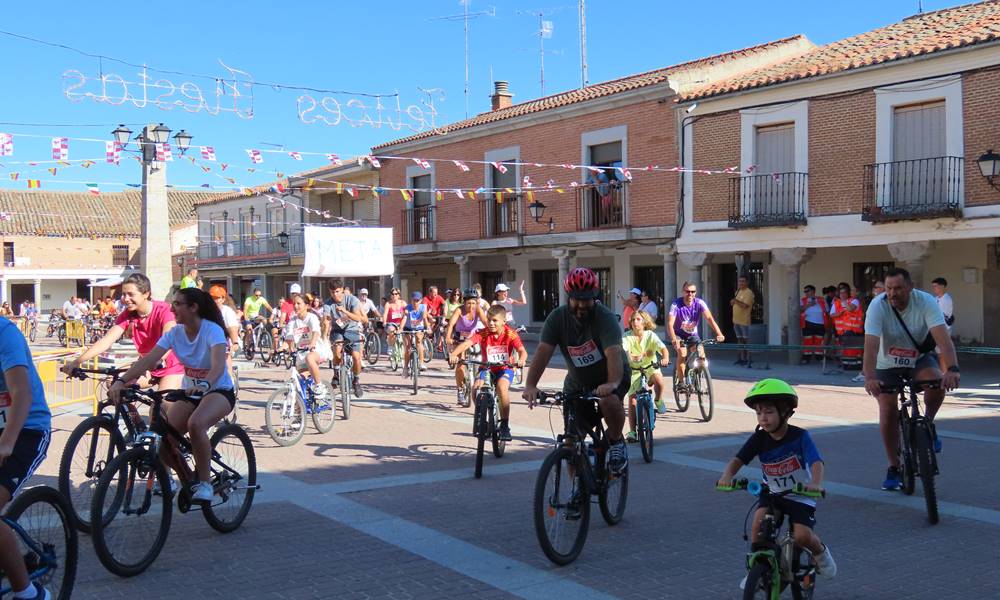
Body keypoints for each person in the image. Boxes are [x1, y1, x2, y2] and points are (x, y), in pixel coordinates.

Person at [108, 288, 234, 503]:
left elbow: (218, 365)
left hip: (218, 390)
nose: (172, 308)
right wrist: (121, 381)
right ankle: (187, 479)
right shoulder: (175, 333)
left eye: (177, 304)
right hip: (190, 392)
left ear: (193, 307)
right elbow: (148, 360)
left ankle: (205, 484)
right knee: (164, 440)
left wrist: (205, 385)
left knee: (196, 424)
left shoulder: (211, 330)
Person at [717, 379, 837, 588]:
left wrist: (816, 484)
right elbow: (738, 460)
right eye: (759, 413)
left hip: (800, 495)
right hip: (773, 493)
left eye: (769, 412)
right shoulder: (759, 439)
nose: (763, 418)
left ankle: (821, 553)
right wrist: (727, 476)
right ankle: (756, 568)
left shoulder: (800, 436)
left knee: (802, 536)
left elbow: (816, 462)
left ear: (785, 412)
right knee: (757, 523)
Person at [523, 267, 631, 473]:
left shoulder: (604, 317)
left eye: (587, 299)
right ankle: (576, 494)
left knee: (609, 400)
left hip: (613, 375)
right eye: (576, 299)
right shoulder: (557, 318)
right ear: (568, 297)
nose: (582, 304)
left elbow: (614, 353)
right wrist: (531, 385)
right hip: (578, 383)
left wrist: (612, 383)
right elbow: (543, 352)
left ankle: (616, 441)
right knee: (571, 442)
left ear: (595, 297)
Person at [862, 268, 960, 491]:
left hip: (919, 359)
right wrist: (869, 377)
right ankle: (894, 467)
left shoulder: (925, 302)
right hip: (886, 363)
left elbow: (942, 339)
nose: (892, 293)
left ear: (910, 287)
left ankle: (927, 424)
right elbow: (871, 345)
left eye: (898, 289)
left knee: (936, 383)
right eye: (888, 289)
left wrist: (952, 369)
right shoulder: (878, 306)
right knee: (887, 410)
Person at [0, 312, 53, 600]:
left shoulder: (4, 333)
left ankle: (29, 593)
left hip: (25, 430)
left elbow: (21, 393)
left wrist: (7, 441)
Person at [62, 272, 185, 390]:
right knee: (114, 384)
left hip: (170, 365)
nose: (126, 299)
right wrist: (76, 362)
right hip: (146, 364)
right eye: (124, 294)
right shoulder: (127, 315)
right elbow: (106, 341)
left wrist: (154, 362)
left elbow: (167, 341)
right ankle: (131, 412)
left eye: (131, 294)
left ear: (146, 294)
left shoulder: (165, 310)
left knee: (162, 407)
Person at [449, 305, 527, 441]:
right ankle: (481, 416)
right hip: (487, 367)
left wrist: (521, 360)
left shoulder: (511, 334)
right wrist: (454, 353)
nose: (491, 323)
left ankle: (504, 425)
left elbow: (522, 351)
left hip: (505, 368)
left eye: (495, 320)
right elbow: (467, 344)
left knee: (502, 388)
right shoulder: (483, 333)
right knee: (476, 388)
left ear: (504, 321)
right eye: (489, 320)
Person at [622, 310, 670, 441]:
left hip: (650, 367)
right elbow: (624, 350)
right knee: (632, 399)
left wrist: (665, 358)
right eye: (633, 320)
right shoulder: (626, 336)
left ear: (644, 322)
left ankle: (658, 400)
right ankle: (632, 432)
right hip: (634, 370)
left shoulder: (651, 335)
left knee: (659, 381)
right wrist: (630, 356)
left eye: (638, 319)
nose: (635, 322)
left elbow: (663, 349)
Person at [668, 282, 725, 387]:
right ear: (683, 292)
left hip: (693, 335)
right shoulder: (676, 304)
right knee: (682, 353)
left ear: (695, 292)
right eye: (687, 291)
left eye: (693, 292)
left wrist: (719, 333)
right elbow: (670, 323)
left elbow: (709, 319)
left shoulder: (700, 303)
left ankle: (698, 375)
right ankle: (681, 382)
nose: (690, 294)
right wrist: (673, 339)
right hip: (679, 335)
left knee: (701, 355)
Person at [444, 288, 488, 405]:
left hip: (473, 336)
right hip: (460, 337)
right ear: (464, 302)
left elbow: (485, 322)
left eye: (473, 303)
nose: (471, 306)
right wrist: (448, 338)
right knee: (460, 365)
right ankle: (460, 390)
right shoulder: (459, 310)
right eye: (469, 303)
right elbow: (451, 324)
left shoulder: (478, 309)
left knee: (482, 357)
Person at [324, 279, 366, 397]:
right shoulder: (328, 303)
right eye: (332, 292)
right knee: (337, 351)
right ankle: (336, 373)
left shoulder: (352, 299)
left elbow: (358, 318)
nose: (335, 295)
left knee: (356, 357)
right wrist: (324, 335)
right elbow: (327, 320)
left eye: (337, 291)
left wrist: (345, 311)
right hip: (337, 330)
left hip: (352, 329)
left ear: (342, 290)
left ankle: (356, 380)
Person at [284, 293, 329, 399]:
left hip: (316, 350)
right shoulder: (292, 321)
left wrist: (312, 343)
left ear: (307, 306)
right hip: (301, 354)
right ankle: (301, 412)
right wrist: (280, 348)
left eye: (299, 303)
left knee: (310, 358)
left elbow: (316, 332)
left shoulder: (311, 317)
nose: (296, 306)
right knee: (299, 383)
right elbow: (288, 338)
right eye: (294, 304)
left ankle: (319, 385)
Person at [829, 282, 864, 376]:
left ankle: (853, 366)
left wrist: (843, 302)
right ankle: (846, 365)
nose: (843, 294)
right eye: (841, 293)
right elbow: (832, 314)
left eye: (845, 292)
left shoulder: (854, 301)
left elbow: (850, 309)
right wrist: (839, 313)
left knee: (853, 350)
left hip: (853, 330)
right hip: (842, 330)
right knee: (845, 349)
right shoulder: (836, 303)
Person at [400, 291, 432, 376]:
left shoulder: (423, 307)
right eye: (414, 300)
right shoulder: (407, 308)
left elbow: (425, 318)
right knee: (408, 347)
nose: (415, 302)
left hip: (419, 328)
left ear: (420, 301)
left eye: (417, 300)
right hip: (408, 328)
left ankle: (421, 363)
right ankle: (406, 367)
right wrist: (400, 329)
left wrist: (428, 327)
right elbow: (404, 317)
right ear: (411, 300)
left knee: (418, 341)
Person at [208, 285, 241, 360]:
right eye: (211, 298)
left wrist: (235, 343)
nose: (213, 300)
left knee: (225, 367)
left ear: (223, 299)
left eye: (217, 298)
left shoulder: (227, 311)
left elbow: (232, 328)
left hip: (221, 344)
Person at [799, 285, 829, 365]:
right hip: (807, 322)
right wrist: (809, 304)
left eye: (807, 291)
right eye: (804, 291)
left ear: (813, 291)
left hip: (820, 323)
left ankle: (819, 357)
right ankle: (806, 357)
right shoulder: (803, 300)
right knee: (807, 341)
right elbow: (799, 309)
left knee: (819, 341)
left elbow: (827, 311)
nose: (805, 293)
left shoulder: (822, 299)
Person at [731, 275, 755, 366]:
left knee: (746, 340)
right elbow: (735, 302)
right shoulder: (738, 291)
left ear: (747, 282)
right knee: (739, 340)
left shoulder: (749, 293)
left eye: (743, 281)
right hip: (736, 320)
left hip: (744, 321)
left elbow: (745, 306)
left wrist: (736, 301)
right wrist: (733, 302)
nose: (741, 283)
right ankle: (741, 358)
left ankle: (748, 359)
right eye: (740, 281)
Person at [383, 288, 406, 356]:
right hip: (392, 324)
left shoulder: (403, 303)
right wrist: (384, 322)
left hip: (401, 323)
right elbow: (385, 314)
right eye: (392, 294)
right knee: (391, 330)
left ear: (399, 295)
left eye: (396, 294)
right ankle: (391, 346)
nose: (394, 295)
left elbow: (408, 310)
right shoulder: (388, 304)